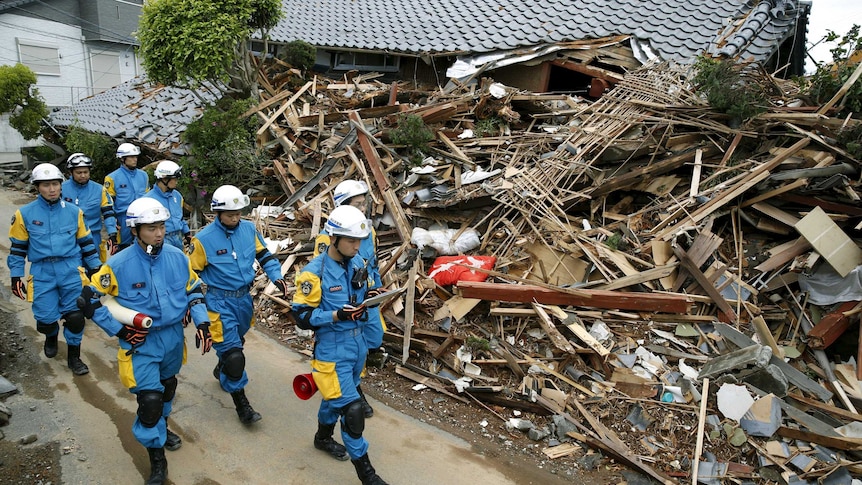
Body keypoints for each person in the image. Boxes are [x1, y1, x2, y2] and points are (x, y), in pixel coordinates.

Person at [77, 197, 211, 485]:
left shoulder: (177, 257)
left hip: (173, 338)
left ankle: (162, 425)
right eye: (151, 228)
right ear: (135, 231)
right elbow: (88, 300)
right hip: (141, 342)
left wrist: (202, 322)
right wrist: (121, 331)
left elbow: (194, 291)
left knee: (168, 387)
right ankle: (157, 459)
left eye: (161, 226)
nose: (159, 233)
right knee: (149, 400)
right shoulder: (119, 263)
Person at [292, 205, 388, 485]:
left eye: (360, 240)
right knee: (352, 411)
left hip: (357, 347)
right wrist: (336, 315)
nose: (357, 246)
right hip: (332, 351)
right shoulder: (314, 273)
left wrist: (371, 295)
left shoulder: (358, 263)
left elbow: (360, 295)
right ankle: (368, 476)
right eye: (351, 240)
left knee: (333, 399)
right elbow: (302, 317)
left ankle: (322, 438)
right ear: (333, 238)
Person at [187, 185, 288, 424]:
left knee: (236, 342)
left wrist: (277, 276)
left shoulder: (249, 230)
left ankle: (222, 366)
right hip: (218, 302)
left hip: (243, 300)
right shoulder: (202, 240)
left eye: (239, 213)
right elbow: (190, 275)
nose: (235, 218)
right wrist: (191, 307)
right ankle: (242, 406)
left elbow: (264, 255)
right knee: (235, 356)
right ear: (217, 213)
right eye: (230, 214)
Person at [7, 163, 102, 375]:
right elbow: (18, 249)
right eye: (46, 185)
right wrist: (15, 276)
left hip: (70, 269)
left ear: (61, 185)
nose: (51, 189)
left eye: (55, 184)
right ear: (37, 187)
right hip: (42, 272)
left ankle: (74, 357)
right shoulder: (25, 214)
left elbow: (87, 243)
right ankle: (51, 335)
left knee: (76, 317)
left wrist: (96, 268)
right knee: (45, 320)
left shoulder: (75, 212)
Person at [313, 180, 384, 418]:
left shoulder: (367, 230)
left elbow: (371, 264)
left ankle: (349, 383)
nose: (363, 208)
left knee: (373, 338)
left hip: (365, 297)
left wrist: (377, 288)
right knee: (351, 344)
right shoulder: (328, 238)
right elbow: (323, 273)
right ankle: (353, 389)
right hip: (343, 302)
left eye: (364, 203)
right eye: (357, 204)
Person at [61, 153, 118, 261]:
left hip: (93, 237)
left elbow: (108, 212)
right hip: (68, 238)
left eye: (86, 172)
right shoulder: (61, 189)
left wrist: (112, 234)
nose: (83, 175)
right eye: (79, 172)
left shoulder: (99, 190)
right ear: (71, 172)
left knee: (95, 271)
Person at [105, 142, 149, 251]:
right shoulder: (112, 178)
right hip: (122, 220)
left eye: (136, 157)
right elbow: (108, 204)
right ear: (122, 159)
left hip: (142, 218)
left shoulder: (143, 175)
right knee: (123, 250)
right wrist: (113, 223)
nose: (135, 159)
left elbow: (148, 197)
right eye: (131, 157)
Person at [144, 160, 190, 250]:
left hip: (178, 239)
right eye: (174, 179)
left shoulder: (177, 196)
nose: (176, 181)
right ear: (164, 178)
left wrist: (187, 234)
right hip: (161, 240)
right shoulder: (148, 200)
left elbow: (180, 218)